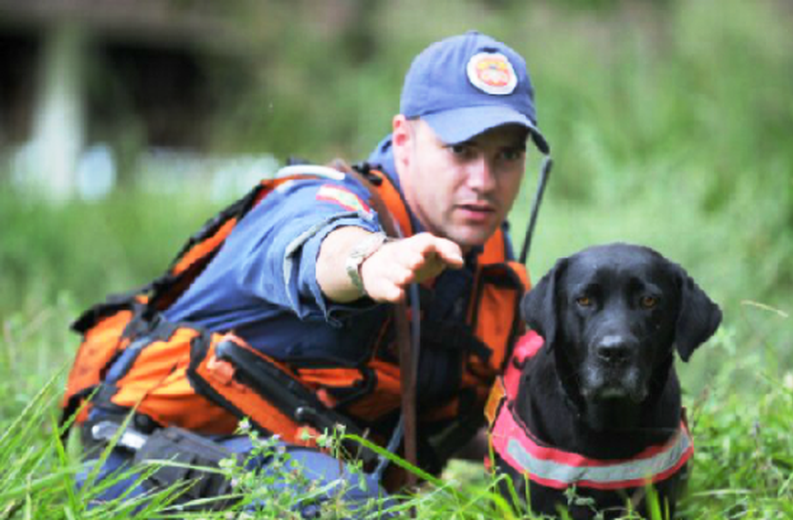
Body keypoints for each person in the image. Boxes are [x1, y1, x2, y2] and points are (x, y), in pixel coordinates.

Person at [63, 30, 550, 516]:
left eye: (507, 154)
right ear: (404, 140)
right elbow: (312, 248)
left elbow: (451, 424)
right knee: (351, 503)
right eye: (461, 151)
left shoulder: (481, 259)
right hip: (140, 450)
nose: (484, 181)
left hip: (293, 456)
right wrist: (369, 260)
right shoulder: (325, 200)